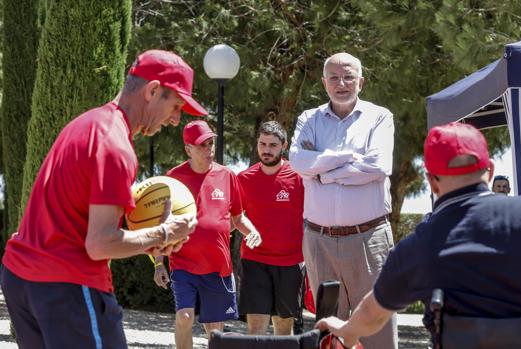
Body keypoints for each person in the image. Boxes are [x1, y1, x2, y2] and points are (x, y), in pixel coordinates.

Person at [316, 122, 521, 349]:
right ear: (490, 169)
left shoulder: (421, 244)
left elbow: (372, 314)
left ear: (432, 182)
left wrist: (346, 330)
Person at [1, 49, 202, 348]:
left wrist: (153, 239)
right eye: (176, 106)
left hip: (22, 279)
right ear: (153, 90)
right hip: (66, 286)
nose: (175, 120)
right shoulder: (116, 146)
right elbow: (99, 244)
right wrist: (164, 232)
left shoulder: (88, 123)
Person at [289, 52, 396, 349]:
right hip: (318, 240)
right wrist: (345, 158)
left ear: (361, 81)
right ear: (324, 83)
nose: (342, 83)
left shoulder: (380, 117)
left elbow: (378, 166)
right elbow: (298, 161)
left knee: (377, 330)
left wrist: (322, 171)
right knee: (327, 331)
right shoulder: (308, 119)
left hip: (369, 238)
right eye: (334, 77)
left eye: (349, 76)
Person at [152, 120, 263, 349]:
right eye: (202, 145)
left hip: (217, 267)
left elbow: (237, 218)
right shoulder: (173, 178)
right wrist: (159, 264)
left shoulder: (227, 175)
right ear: (188, 149)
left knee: (215, 331)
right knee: (184, 316)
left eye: (211, 143)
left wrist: (253, 232)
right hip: (183, 264)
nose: (208, 149)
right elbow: (161, 224)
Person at [236, 121, 305, 335]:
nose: (266, 150)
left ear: (284, 146)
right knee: (256, 326)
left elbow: (312, 218)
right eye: (262, 144)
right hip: (254, 260)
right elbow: (235, 218)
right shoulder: (243, 179)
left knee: (284, 327)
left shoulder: (299, 178)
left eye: (273, 145)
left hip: (290, 262)